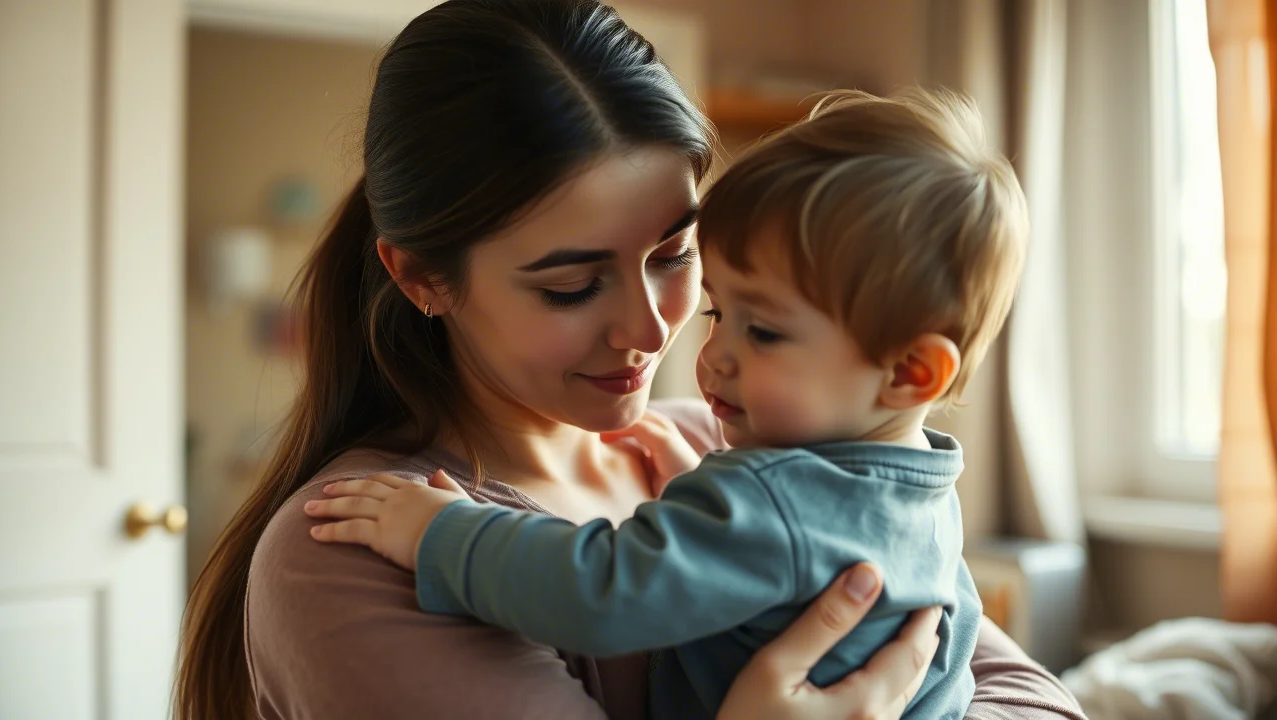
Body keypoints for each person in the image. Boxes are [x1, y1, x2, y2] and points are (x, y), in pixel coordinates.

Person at [173, 2, 1087, 719]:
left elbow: (1036, 700)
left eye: (675, 257)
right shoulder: (348, 548)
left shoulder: (741, 449)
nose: (653, 332)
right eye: (572, 287)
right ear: (422, 280)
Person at [303, 88, 1024, 719]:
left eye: (672, 257)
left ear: (912, 372)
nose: (681, 345)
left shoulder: (760, 487)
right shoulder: (917, 492)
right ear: (423, 276)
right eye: (718, 312)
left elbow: (602, 590)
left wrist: (440, 534)